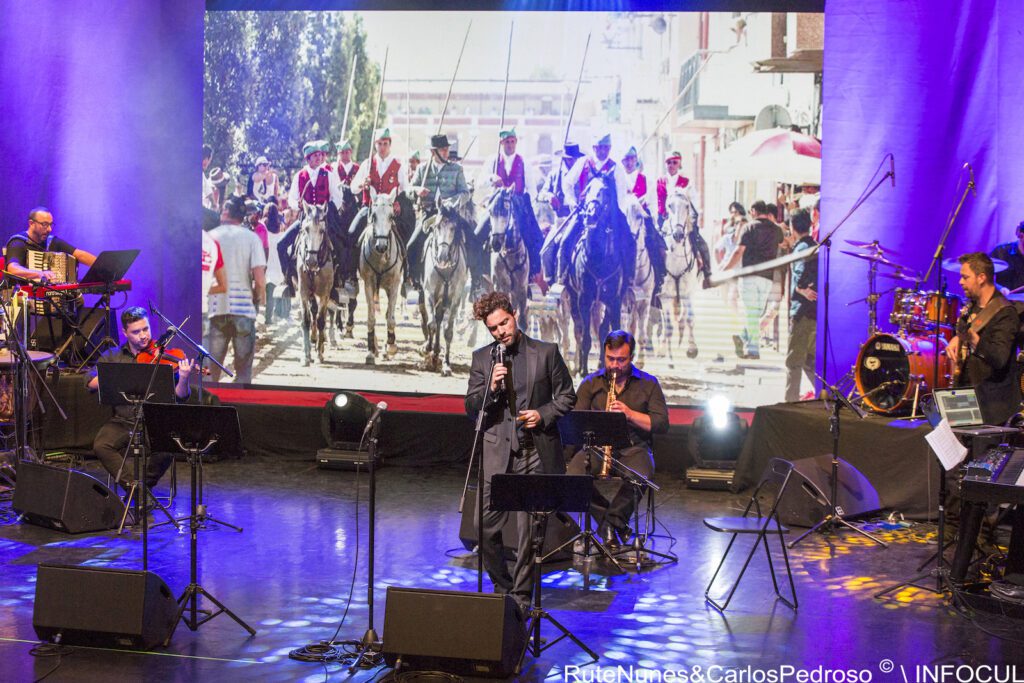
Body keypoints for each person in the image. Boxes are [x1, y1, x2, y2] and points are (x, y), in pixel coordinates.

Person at [464, 291, 575, 611]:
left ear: (514, 315)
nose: (501, 331)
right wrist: (491, 388)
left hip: (534, 452)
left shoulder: (546, 352)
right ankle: (503, 586)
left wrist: (543, 414)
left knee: (530, 532)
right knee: (483, 527)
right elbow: (471, 407)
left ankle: (522, 597)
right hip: (497, 454)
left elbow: (567, 396)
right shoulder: (482, 359)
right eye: (493, 328)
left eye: (504, 323)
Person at [567, 330, 669, 546]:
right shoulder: (590, 383)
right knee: (573, 477)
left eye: (621, 360)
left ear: (631, 357)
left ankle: (611, 523)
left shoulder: (649, 384)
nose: (614, 365)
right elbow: (576, 422)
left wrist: (629, 414)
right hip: (596, 449)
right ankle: (612, 525)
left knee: (640, 475)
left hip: (634, 449)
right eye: (610, 359)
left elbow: (661, 424)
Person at [86, 306, 193, 490]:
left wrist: (183, 378)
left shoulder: (163, 355)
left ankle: (144, 488)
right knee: (102, 445)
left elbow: (181, 396)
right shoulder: (113, 356)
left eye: (146, 329)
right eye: (136, 332)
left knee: (169, 447)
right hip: (123, 420)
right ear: (125, 332)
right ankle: (134, 489)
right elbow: (89, 382)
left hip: (155, 421)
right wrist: (120, 375)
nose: (143, 336)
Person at [945, 252, 1020, 425]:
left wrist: (973, 339)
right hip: (966, 396)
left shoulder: (1005, 313)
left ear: (981, 278)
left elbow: (999, 358)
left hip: (993, 406)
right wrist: (958, 339)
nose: (960, 282)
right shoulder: (971, 307)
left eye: (965, 277)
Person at [208, 196, 267, 383]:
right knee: (243, 373)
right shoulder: (251, 238)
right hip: (243, 310)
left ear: (224, 213)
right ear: (242, 216)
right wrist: (258, 298)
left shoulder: (210, 237)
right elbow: (259, 278)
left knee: (210, 373)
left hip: (215, 309)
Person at [477, 128, 545, 278]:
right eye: (507, 142)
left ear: (516, 142)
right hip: (497, 207)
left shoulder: (524, 162)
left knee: (536, 236)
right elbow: (479, 182)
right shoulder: (493, 161)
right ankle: (480, 273)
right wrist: (491, 178)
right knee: (478, 234)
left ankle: (532, 273)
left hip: (518, 206)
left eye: (512, 141)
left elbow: (532, 190)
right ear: (501, 143)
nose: (510, 145)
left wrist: (527, 207)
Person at [407, 133, 471, 287]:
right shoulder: (422, 169)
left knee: (473, 239)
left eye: (446, 149)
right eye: (442, 149)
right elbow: (409, 190)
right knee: (411, 246)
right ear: (433, 152)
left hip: (451, 214)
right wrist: (417, 190)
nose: (446, 152)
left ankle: (476, 281)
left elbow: (465, 193)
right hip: (429, 214)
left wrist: (451, 202)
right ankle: (415, 279)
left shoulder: (456, 169)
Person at [725, 200, 783, 360]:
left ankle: (752, 349)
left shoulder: (749, 227)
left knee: (752, 313)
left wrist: (726, 269)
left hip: (749, 276)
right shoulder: (776, 230)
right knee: (755, 314)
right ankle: (744, 339)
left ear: (753, 211)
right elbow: (784, 243)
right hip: (767, 278)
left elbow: (738, 251)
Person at [655, 151, 712, 288]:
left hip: (683, 221)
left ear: (679, 164)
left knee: (701, 243)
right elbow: (654, 202)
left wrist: (692, 220)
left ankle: (707, 274)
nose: (671, 165)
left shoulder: (686, 182)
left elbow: (694, 203)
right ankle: (655, 277)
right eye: (669, 162)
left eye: (674, 162)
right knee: (651, 245)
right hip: (664, 221)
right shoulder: (660, 181)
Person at [5, 207, 97, 282]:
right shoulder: (18, 242)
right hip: (21, 295)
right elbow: (13, 269)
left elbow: (80, 255)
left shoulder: (52, 241)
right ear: (31, 223)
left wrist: (102, 267)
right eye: (44, 224)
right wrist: (39, 273)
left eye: (50, 224)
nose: (49, 229)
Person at [785, 210, 818, 402]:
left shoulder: (801, 249)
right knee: (809, 361)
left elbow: (800, 271)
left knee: (794, 361)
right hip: (814, 312)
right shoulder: (814, 245)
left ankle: (790, 403)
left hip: (801, 312)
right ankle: (827, 397)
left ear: (792, 227)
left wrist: (800, 287)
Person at [990, 220, 1024, 295]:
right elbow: (985, 277)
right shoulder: (1000, 251)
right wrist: (1000, 289)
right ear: (1021, 236)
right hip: (1003, 300)